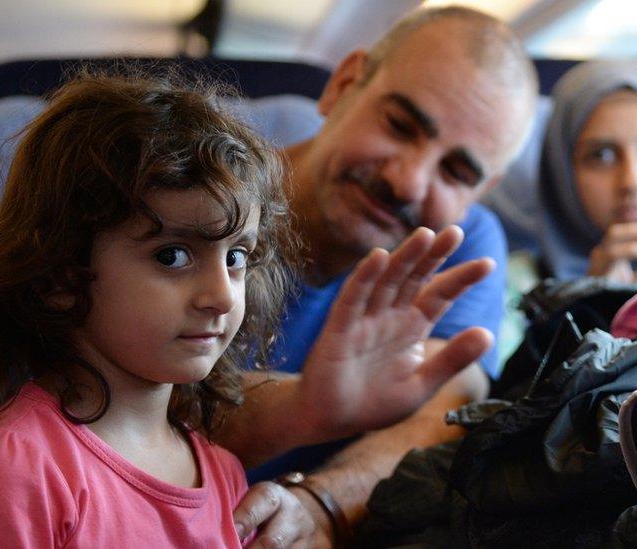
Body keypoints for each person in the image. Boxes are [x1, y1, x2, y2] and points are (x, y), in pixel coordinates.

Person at [0, 71, 491, 547]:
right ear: (60, 275)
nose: (221, 294)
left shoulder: (222, 473)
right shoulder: (16, 475)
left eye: (237, 257)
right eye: (173, 255)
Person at [218, 6, 538, 546]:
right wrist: (302, 410)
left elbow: (439, 413)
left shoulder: (462, 244)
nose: (409, 182)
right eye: (400, 125)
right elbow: (118, 421)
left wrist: (322, 504)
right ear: (343, 85)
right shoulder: (201, 203)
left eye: (457, 172)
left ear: (482, 190)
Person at [486, 59, 637, 283]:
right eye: (601, 156)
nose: (633, 182)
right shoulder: (508, 291)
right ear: (561, 174)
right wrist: (591, 302)